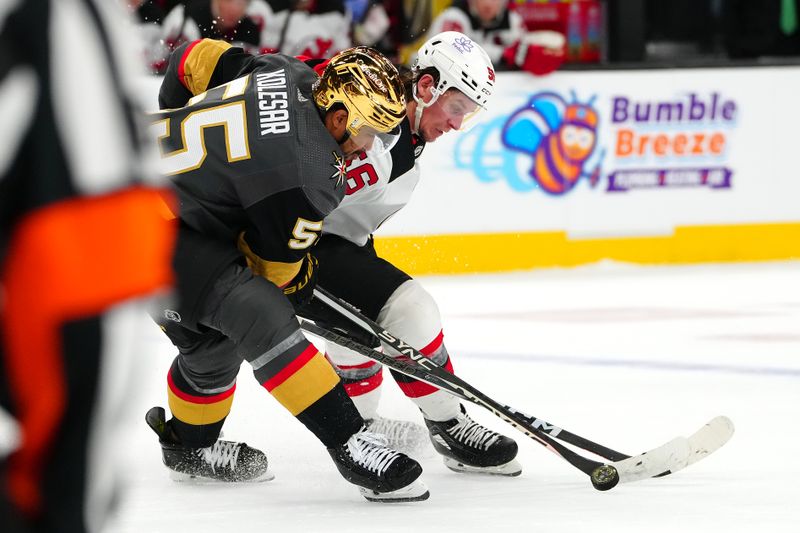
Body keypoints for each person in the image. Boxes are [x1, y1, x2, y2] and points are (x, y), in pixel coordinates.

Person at [144, 39, 427, 502]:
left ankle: (187, 449)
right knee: (255, 309)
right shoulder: (311, 174)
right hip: (138, 231)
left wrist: (178, 127)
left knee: (210, 345)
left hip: (126, 184)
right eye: (370, 132)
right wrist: (303, 277)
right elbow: (273, 273)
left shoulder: (286, 72)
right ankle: (350, 442)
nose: (370, 146)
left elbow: (189, 58)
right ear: (340, 117)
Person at [304, 31, 523, 476]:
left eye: (469, 113)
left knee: (360, 328)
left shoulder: (396, 125)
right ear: (426, 87)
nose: (458, 124)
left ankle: (364, 426)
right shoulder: (383, 133)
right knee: (409, 311)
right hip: (300, 243)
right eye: (457, 107)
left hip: (331, 239)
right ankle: (444, 424)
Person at [0, 1, 176, 532]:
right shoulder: (56, 17)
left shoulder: (63, 19)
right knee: (68, 481)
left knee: (64, 479)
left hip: (91, 267)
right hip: (91, 267)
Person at [427, 0, 565, 76]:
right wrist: (504, 54)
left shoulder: (513, 20)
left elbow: (521, 52)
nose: (488, 4)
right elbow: (450, 55)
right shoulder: (453, 17)